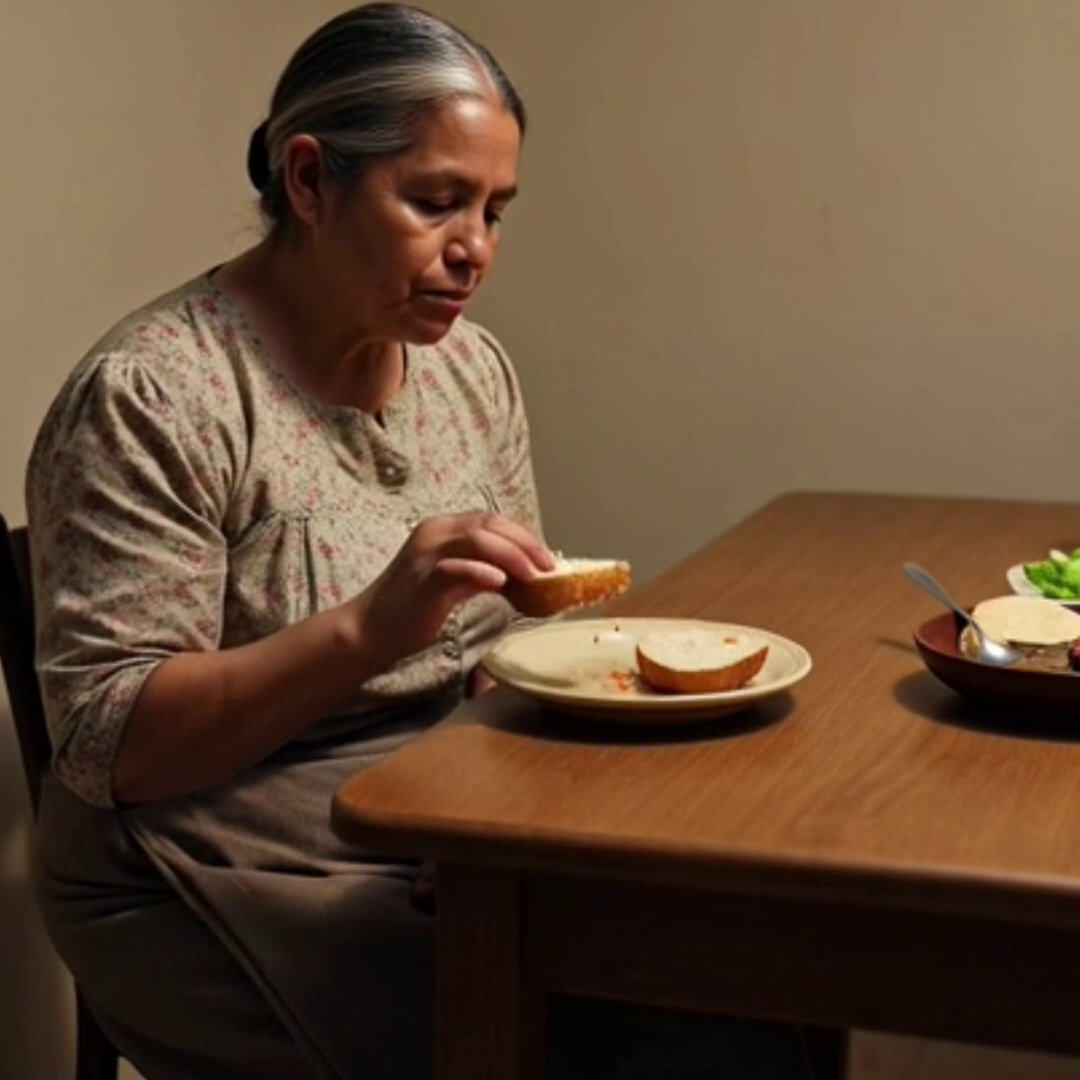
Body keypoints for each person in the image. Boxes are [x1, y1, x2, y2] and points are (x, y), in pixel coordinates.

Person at [25, 5, 815, 1078]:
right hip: (197, 846)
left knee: (736, 973)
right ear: (311, 180)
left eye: (495, 210)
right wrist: (370, 629)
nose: (474, 248)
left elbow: (511, 642)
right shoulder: (155, 395)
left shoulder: (469, 368)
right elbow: (114, 747)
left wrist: (485, 805)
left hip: (427, 787)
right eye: (436, 201)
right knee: (634, 1042)